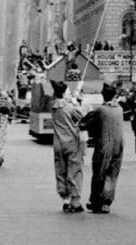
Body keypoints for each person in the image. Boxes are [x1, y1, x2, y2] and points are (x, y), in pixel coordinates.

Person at [85, 82, 125, 213]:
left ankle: (96, 201)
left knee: (99, 173)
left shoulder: (100, 110)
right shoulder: (119, 109)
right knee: (112, 174)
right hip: (118, 146)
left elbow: (85, 123)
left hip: (104, 145)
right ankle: (106, 203)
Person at [51, 80, 87, 213]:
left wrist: (70, 98)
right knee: (74, 171)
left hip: (58, 143)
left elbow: (59, 101)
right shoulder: (70, 108)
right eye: (67, 91)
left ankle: (65, 199)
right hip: (72, 143)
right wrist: (77, 102)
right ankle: (75, 201)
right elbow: (82, 116)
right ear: (64, 93)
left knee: (61, 170)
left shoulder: (53, 106)